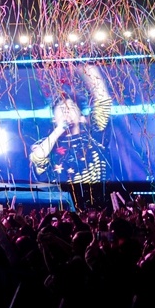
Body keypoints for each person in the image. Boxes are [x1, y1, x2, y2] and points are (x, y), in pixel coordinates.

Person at [30, 64, 112, 210]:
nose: (67, 111)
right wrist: (60, 128)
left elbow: (103, 100)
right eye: (61, 109)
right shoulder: (47, 144)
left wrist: (85, 67)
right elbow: (37, 158)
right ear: (54, 119)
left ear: (82, 118)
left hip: (98, 205)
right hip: (62, 208)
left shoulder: (94, 135)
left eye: (72, 108)